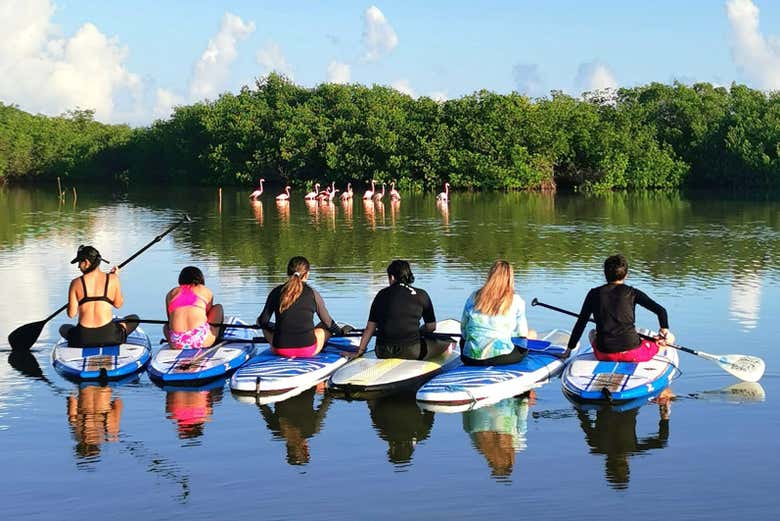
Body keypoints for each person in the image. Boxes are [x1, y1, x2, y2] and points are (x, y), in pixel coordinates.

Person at [565, 254, 674, 361]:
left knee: (592, 333)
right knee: (669, 338)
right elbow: (661, 311)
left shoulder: (593, 294)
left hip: (604, 354)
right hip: (633, 353)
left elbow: (581, 323)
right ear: (626, 275)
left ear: (605, 274)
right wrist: (664, 329)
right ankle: (660, 344)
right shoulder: (633, 293)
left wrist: (568, 350)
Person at [353, 260, 446, 360]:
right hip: (411, 351)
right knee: (445, 343)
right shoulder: (421, 295)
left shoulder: (381, 294)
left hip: (382, 351)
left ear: (392, 277)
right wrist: (420, 331)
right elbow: (431, 327)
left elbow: (370, 328)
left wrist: (360, 351)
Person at [257, 256, 346, 357]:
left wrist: (268, 325)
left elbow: (263, 322)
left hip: (280, 350)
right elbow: (327, 322)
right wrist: (340, 333)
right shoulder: (313, 293)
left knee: (264, 327)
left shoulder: (276, 292)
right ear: (307, 274)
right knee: (324, 328)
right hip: (307, 350)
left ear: (287, 273)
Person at [460, 260, 537, 366]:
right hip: (501, 358)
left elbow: (464, 330)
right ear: (510, 279)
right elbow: (521, 335)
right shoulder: (516, 300)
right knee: (532, 333)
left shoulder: (474, 296)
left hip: (469, 358)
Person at [66, 245, 135, 347]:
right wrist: (114, 278)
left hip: (83, 338)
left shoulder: (75, 283)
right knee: (134, 318)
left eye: (79, 263)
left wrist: (73, 301)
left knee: (64, 328)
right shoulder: (112, 279)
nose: (78, 266)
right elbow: (118, 304)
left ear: (86, 262)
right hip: (110, 336)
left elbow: (71, 314)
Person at [164, 266, 224, 350]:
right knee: (218, 307)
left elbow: (170, 319)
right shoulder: (205, 290)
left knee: (165, 326)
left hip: (177, 342)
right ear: (201, 278)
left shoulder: (172, 293)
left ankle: (173, 343)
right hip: (201, 341)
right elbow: (208, 314)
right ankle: (216, 334)